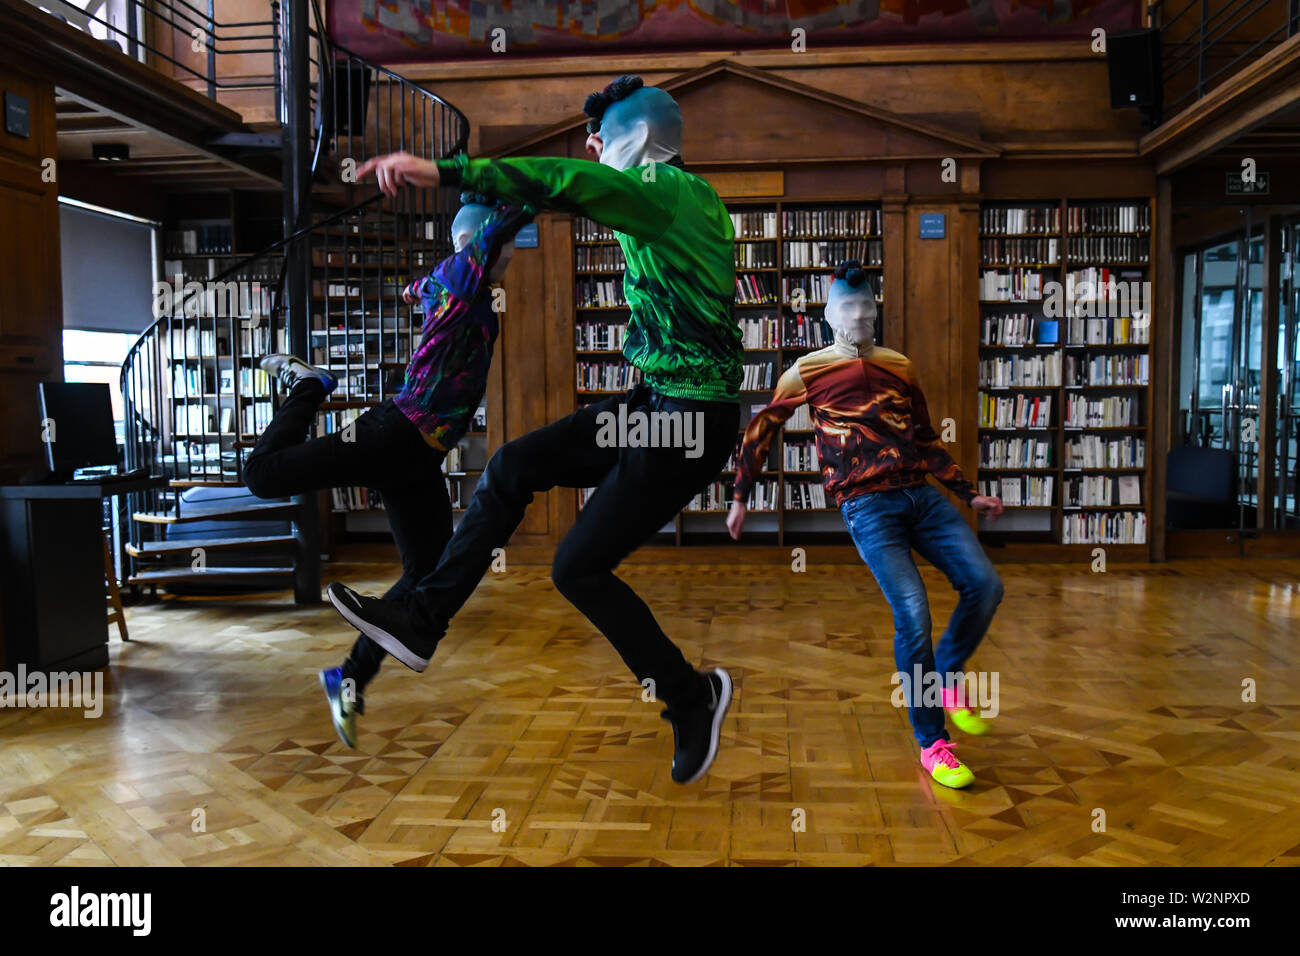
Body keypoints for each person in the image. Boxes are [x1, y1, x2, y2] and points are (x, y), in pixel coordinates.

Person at [327, 75, 743, 785]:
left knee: (576, 567)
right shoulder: (658, 196)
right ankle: (421, 620)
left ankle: (691, 695)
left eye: (600, 135)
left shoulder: (663, 193)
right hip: (654, 406)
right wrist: (488, 215)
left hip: (689, 426)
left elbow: (565, 180)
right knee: (513, 465)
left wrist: (445, 170)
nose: (589, 146)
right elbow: (557, 187)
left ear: (636, 139)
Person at [242, 193, 533, 747]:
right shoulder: (461, 275)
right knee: (262, 476)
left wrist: (414, 290)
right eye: (505, 249)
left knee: (426, 573)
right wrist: (543, 186)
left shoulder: (452, 285)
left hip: (418, 456)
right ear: (478, 246)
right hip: (389, 433)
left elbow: (417, 289)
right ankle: (307, 385)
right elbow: (489, 237)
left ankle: (349, 677)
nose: (511, 258)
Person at [727, 260, 1005, 789]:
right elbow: (763, 427)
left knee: (986, 585)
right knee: (913, 613)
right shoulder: (806, 370)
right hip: (867, 506)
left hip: (920, 495)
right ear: (830, 314)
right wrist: (740, 496)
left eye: (866, 307)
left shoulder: (900, 364)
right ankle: (933, 742)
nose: (859, 316)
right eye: (848, 307)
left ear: (876, 311)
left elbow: (925, 438)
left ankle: (947, 676)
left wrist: (970, 494)